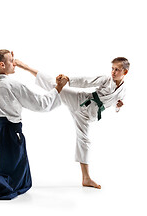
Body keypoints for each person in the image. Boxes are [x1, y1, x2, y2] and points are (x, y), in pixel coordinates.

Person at [0, 50, 68, 200]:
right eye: (11, 60)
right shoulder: (12, 85)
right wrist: (58, 88)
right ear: (2, 64)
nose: (14, 63)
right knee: (16, 180)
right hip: (10, 133)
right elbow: (41, 104)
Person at [15, 57, 129, 189]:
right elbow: (87, 81)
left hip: (87, 115)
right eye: (112, 68)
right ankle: (24, 66)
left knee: (84, 141)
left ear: (124, 72)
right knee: (54, 86)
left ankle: (86, 178)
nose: (113, 72)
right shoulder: (106, 79)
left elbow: (116, 105)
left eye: (117, 70)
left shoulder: (123, 90)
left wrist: (119, 106)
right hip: (80, 101)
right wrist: (68, 79)